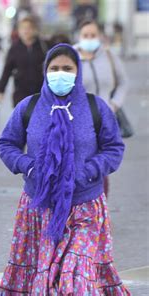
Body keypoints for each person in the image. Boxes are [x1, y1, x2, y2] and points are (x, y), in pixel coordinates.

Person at [0, 44, 129, 295]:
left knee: (75, 275)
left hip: (85, 206)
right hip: (39, 207)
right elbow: (6, 144)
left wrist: (88, 171)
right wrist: (30, 167)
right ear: (45, 72)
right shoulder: (29, 106)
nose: (60, 73)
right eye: (54, 68)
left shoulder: (96, 107)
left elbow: (114, 148)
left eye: (67, 69)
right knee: (44, 277)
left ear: (78, 72)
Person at [75, 19, 129, 197]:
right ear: (79, 36)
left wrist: (114, 104)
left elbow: (123, 82)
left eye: (93, 35)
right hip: (79, 120)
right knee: (81, 163)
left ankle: (99, 208)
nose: (89, 39)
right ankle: (78, 207)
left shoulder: (109, 56)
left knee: (102, 164)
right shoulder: (71, 57)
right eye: (85, 35)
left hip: (105, 120)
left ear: (99, 37)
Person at [0, 16, 47, 107]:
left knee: (37, 120)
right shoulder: (14, 48)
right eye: (23, 28)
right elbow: (7, 70)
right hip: (20, 93)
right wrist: (0, 90)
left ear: (34, 30)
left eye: (29, 28)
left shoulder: (43, 46)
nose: (26, 31)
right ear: (18, 30)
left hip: (40, 92)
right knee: (22, 119)